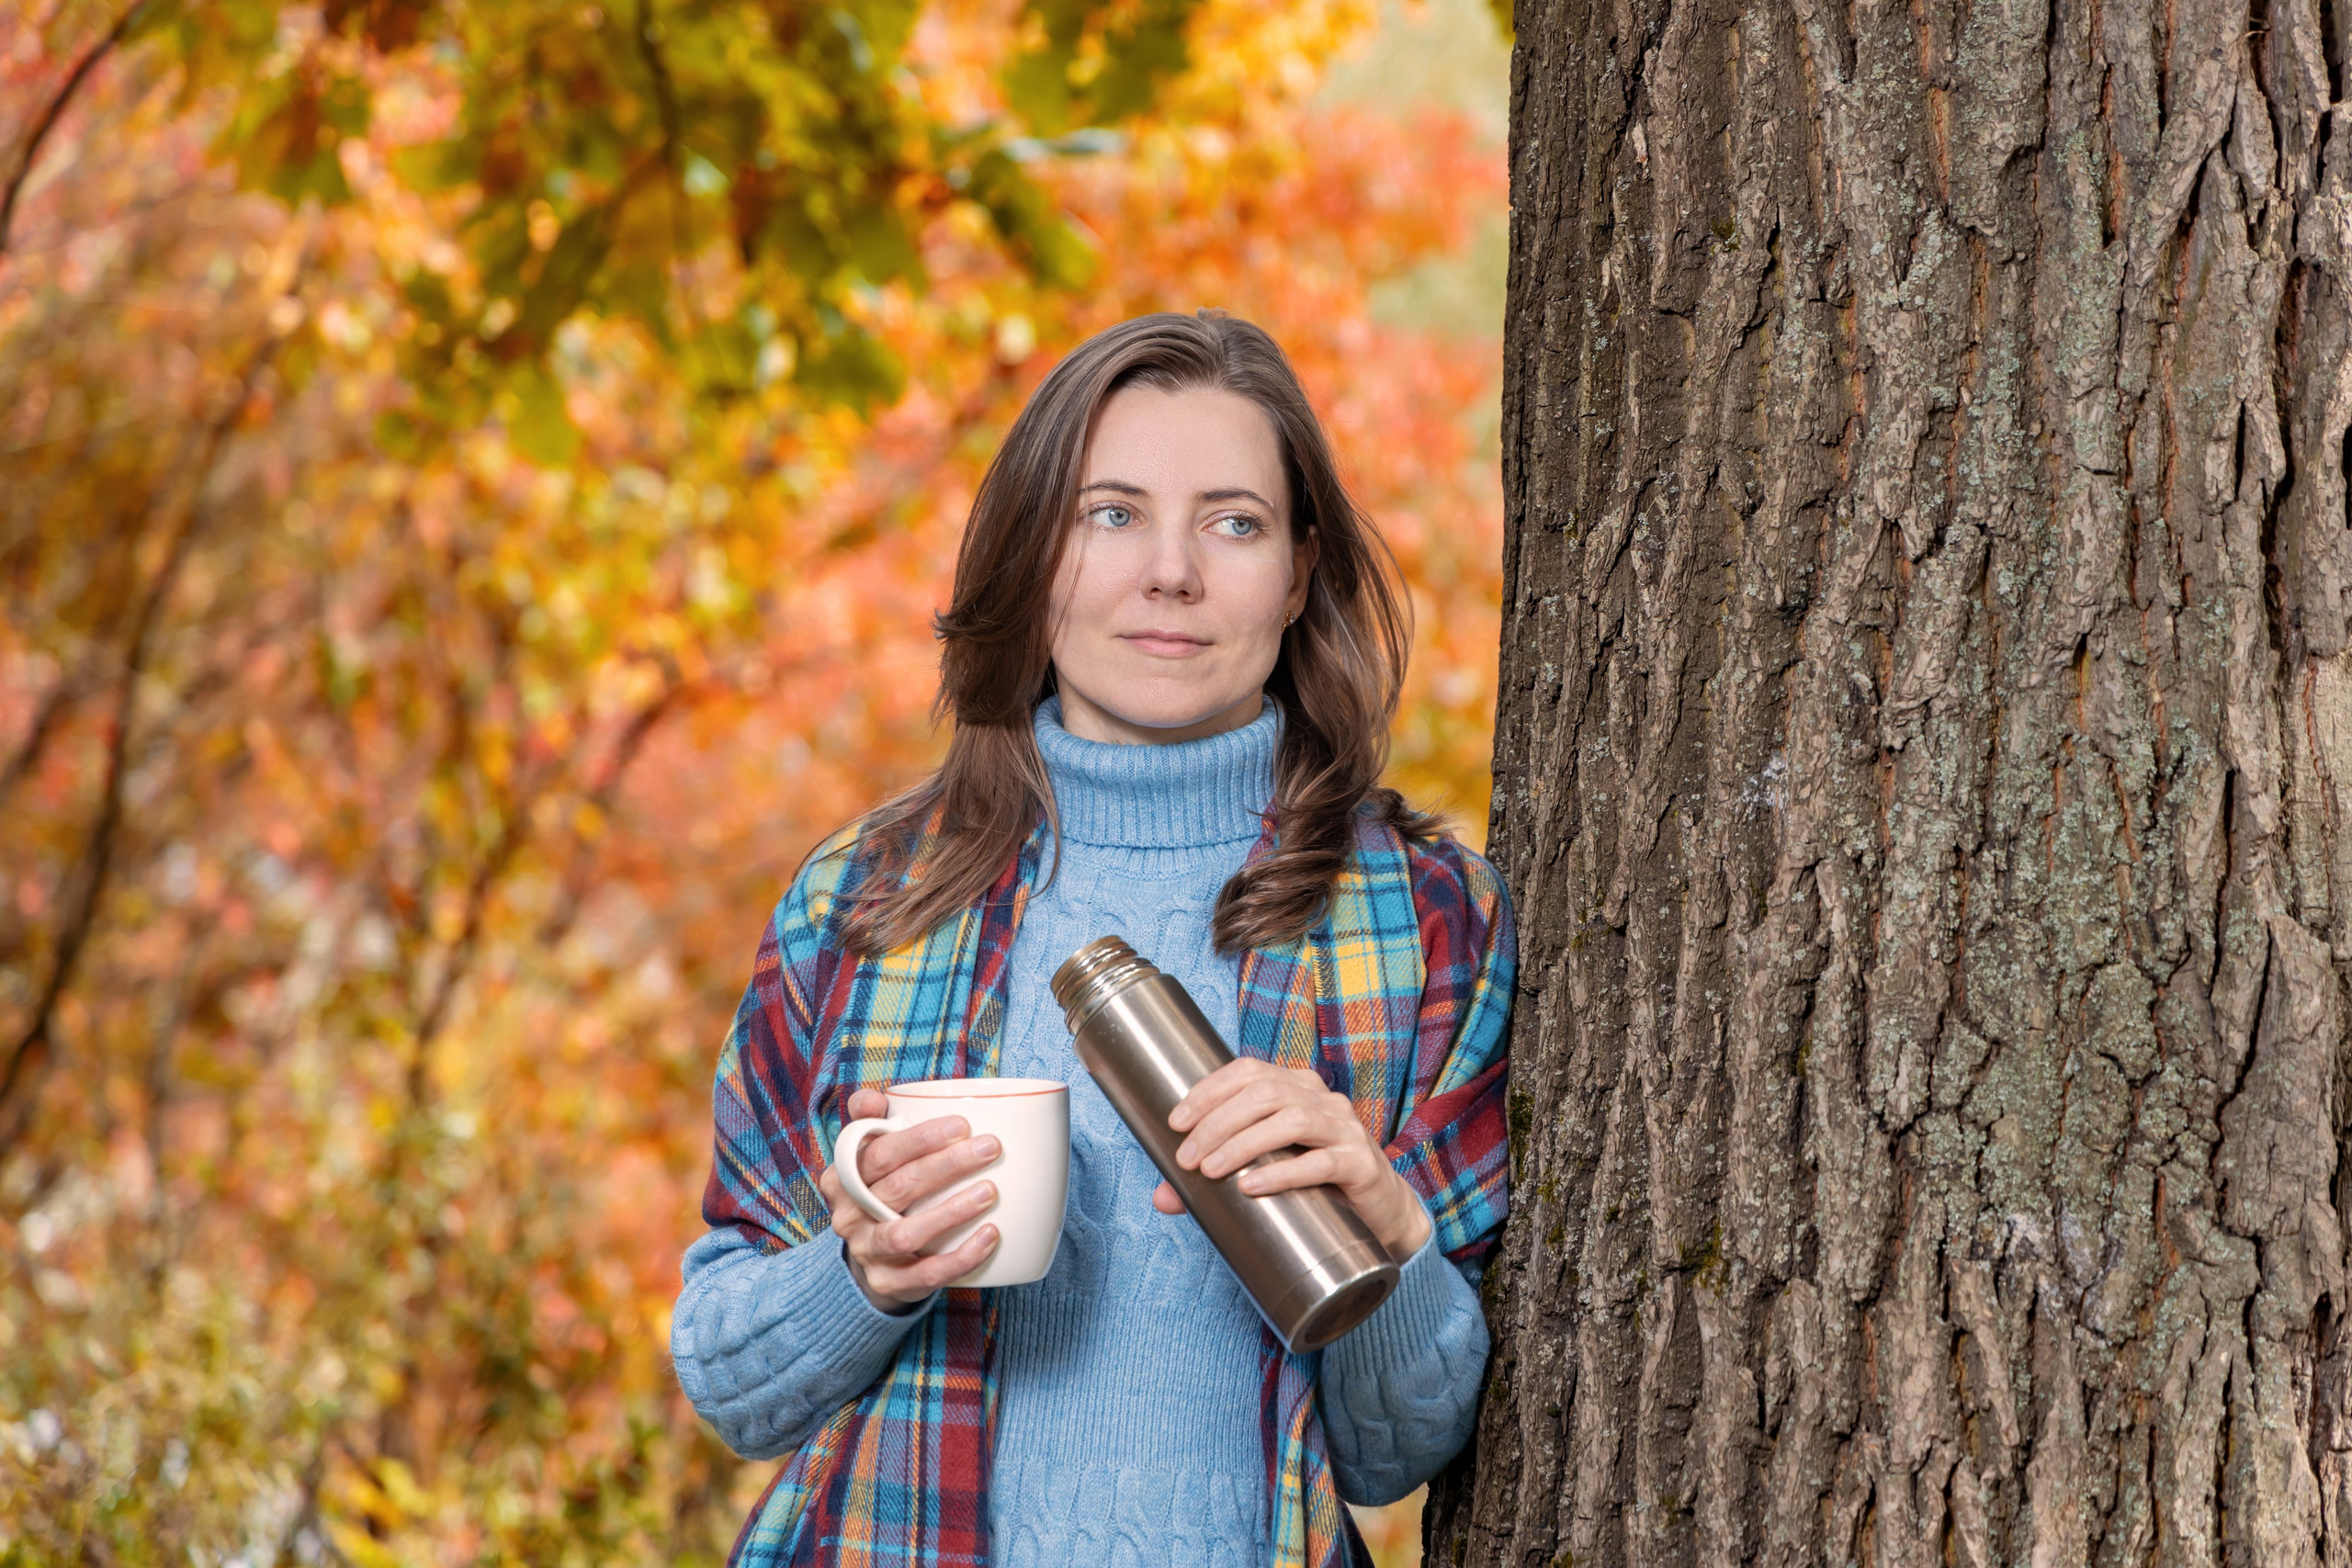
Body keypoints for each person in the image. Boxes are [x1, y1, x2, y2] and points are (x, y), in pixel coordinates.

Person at [671, 310, 1515, 1568]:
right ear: (1036, 554)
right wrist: (868, 1276)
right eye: (1110, 514)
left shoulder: (1421, 920)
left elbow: (1400, 1452)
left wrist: (1386, 1229)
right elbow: (733, 1388)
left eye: (1232, 522)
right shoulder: (869, 904)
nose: (1170, 572)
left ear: (1297, 571)